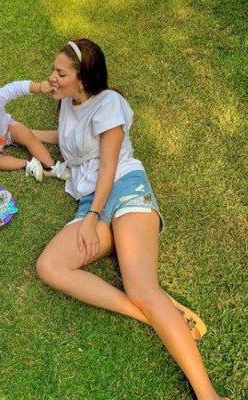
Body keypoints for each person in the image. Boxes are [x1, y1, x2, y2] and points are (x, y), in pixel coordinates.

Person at [36, 39, 229, 400]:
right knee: (51, 267)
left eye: (60, 73)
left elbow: (109, 164)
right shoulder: (67, 102)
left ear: (83, 79)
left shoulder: (110, 104)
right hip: (91, 199)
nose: (51, 77)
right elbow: (65, 141)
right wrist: (17, 135)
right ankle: (154, 317)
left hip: (123, 189)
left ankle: (208, 395)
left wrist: (93, 217)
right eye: (54, 70)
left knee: (142, 287)